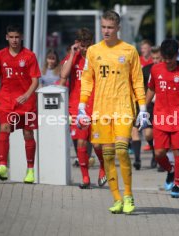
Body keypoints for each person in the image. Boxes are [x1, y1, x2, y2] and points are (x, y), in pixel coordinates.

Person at [78, 10, 148, 214]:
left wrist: (142, 108)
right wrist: (82, 105)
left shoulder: (129, 50)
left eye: (110, 27)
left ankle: (128, 196)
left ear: (118, 28)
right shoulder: (92, 51)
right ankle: (116, 198)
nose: (106, 31)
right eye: (103, 27)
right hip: (100, 110)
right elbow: (87, 79)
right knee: (107, 155)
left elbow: (137, 81)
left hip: (123, 108)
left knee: (121, 151)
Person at [0, 25, 41, 183]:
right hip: (7, 101)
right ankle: (2, 167)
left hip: (26, 102)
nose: (14, 40)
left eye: (17, 37)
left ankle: (30, 171)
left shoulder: (29, 56)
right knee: (4, 128)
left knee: (28, 134)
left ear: (21, 37)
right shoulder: (0, 56)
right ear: (6, 37)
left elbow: (35, 80)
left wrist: (27, 95)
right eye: (11, 37)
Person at [146, 39, 179, 198]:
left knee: (178, 152)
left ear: (177, 55)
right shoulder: (155, 70)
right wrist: (141, 109)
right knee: (159, 154)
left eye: (171, 59)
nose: (168, 62)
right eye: (165, 59)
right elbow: (151, 90)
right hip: (160, 117)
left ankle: (177, 185)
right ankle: (170, 170)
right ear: (162, 55)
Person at [60, 28, 107, 189]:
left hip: (96, 105)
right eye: (83, 46)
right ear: (77, 44)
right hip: (77, 107)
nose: (86, 49)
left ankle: (103, 167)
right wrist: (73, 54)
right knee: (80, 143)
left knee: (96, 144)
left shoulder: (98, 58)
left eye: (88, 45)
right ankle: (85, 178)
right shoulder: (73, 57)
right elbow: (63, 75)